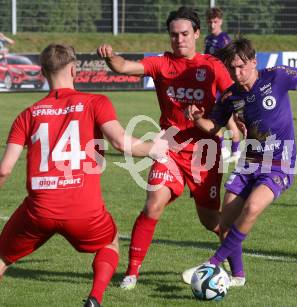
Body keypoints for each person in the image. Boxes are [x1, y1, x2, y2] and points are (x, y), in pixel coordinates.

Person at [0, 44, 168, 307]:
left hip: (39, 209)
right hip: (83, 209)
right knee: (110, 242)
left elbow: (4, 169)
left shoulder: (27, 115)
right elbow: (120, 143)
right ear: (74, 68)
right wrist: (153, 149)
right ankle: (94, 298)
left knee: (2, 257)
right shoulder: (95, 102)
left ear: (43, 72)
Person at [183, 37, 297, 285]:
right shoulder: (229, 97)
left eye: (241, 66)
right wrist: (197, 118)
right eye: (231, 68)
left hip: (279, 164)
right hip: (249, 164)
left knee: (252, 208)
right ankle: (238, 276)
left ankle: (211, 264)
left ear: (254, 62)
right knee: (224, 225)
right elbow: (214, 128)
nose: (236, 72)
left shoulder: (275, 76)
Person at [96, 6, 233, 290]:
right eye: (173, 35)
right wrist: (111, 57)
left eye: (184, 34)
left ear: (197, 33)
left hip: (205, 152)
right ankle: (132, 273)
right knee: (152, 206)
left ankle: (234, 264)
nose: (179, 39)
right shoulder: (161, 64)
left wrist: (238, 125)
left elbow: (233, 97)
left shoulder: (212, 65)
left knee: (211, 222)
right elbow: (123, 67)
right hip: (168, 147)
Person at [205, 7, 242, 164]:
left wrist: (231, 82)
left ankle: (231, 150)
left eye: (215, 21)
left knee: (225, 119)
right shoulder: (207, 39)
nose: (213, 24)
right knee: (219, 118)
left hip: (223, 84)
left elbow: (230, 61)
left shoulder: (224, 39)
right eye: (210, 21)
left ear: (220, 21)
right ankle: (228, 150)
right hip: (211, 83)